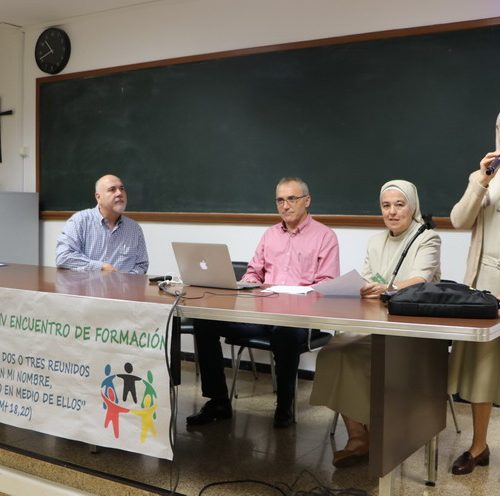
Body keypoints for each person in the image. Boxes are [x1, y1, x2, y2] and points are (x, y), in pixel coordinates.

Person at [187, 177, 340, 429]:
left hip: (299, 319)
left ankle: (284, 406)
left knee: (285, 332)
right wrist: (246, 284)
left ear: (307, 201)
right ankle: (218, 401)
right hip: (262, 315)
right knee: (205, 322)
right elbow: (253, 273)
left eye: (292, 199)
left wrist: (295, 295)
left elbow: (327, 285)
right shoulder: (270, 235)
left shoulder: (324, 236)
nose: (285, 206)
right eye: (280, 200)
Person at [310, 179, 441, 467]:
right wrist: (362, 288)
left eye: (399, 205)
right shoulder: (375, 242)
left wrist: (387, 289)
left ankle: (377, 431)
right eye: (386, 205)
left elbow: (420, 280)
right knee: (334, 351)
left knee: (366, 358)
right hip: (376, 324)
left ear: (412, 207)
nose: (392, 212)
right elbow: (368, 281)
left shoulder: (427, 238)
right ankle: (359, 436)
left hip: (412, 330)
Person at [448, 149, 500, 475]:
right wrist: (481, 180)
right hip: (485, 286)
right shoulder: (484, 177)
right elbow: (459, 220)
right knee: (484, 368)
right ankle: (479, 446)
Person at [56, 174, 149, 274]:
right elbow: (63, 257)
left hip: (123, 284)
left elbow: (141, 265)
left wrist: (126, 279)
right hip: (87, 284)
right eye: (112, 189)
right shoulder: (80, 221)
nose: (119, 193)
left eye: (122, 189)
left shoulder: (134, 229)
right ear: (98, 197)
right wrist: (100, 267)